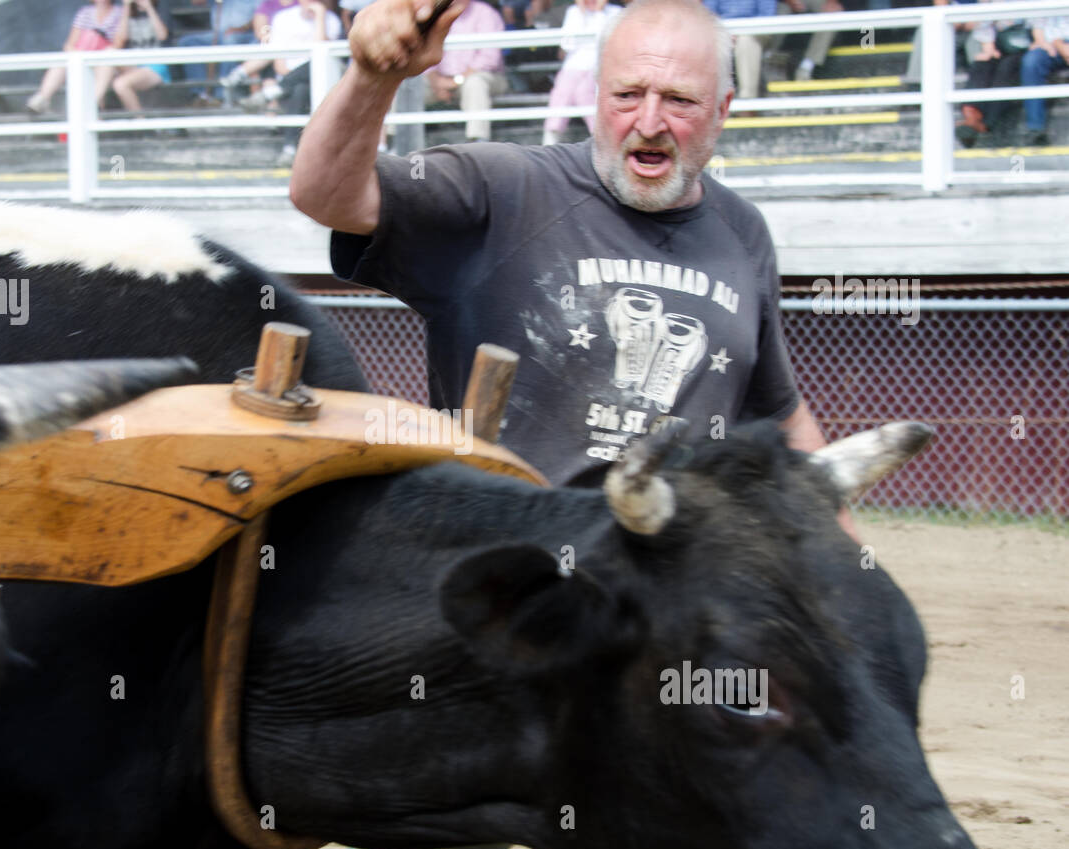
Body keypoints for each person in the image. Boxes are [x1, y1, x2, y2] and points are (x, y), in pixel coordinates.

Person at [291, 0, 839, 491]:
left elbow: (781, 417)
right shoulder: (504, 187)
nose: (649, 122)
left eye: (679, 100)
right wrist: (370, 76)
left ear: (722, 109)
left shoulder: (743, 232)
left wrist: (850, 575)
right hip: (519, 571)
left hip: (673, 582)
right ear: (597, 94)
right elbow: (324, 195)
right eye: (627, 95)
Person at [242, 0, 343, 164]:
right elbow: (279, 61)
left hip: (321, 78)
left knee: (314, 65)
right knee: (300, 88)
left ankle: (289, 147)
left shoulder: (330, 20)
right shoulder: (283, 18)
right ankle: (290, 146)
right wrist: (292, 77)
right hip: (291, 79)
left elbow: (322, 54)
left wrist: (319, 18)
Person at [423, 0, 509, 142]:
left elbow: (489, 58)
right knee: (408, 86)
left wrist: (455, 82)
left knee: (475, 84)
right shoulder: (434, 14)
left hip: (482, 77)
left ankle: (478, 142)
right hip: (440, 81)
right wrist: (437, 82)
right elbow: (425, 54)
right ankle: (393, 139)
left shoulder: (485, 13)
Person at [542, 0, 623, 145]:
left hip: (600, 65)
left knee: (583, 92)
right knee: (561, 92)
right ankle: (551, 139)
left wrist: (598, 13)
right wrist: (581, 14)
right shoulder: (573, 12)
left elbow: (604, 42)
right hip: (572, 66)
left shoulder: (615, 12)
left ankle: (600, 137)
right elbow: (567, 45)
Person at [27, 0, 127, 114]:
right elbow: (69, 45)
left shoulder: (119, 12)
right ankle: (42, 97)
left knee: (106, 64)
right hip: (83, 57)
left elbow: (119, 43)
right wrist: (81, 56)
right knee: (61, 63)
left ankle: (91, 104)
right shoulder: (85, 13)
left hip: (105, 60)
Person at [956, 9, 1028, 147]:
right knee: (980, 65)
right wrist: (989, 47)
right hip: (998, 41)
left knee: (1007, 68)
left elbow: (1039, 20)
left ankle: (987, 123)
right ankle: (971, 114)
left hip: (1030, 41)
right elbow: (984, 19)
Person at [101, 0, 173, 113]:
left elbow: (162, 35)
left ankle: (141, 122)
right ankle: (97, 107)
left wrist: (149, 8)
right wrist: (126, 6)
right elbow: (121, 39)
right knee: (108, 56)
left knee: (120, 84)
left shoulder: (160, 7)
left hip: (155, 66)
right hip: (134, 64)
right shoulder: (128, 11)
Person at [703, 0, 777, 104]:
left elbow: (766, 16)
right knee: (713, 42)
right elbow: (708, 13)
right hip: (723, 31)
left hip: (754, 32)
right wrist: (726, 32)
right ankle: (712, 102)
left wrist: (742, 30)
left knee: (746, 41)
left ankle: (747, 103)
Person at [1021, 15, 1069, 145]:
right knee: (1032, 62)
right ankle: (1035, 129)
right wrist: (1059, 45)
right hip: (1051, 43)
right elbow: (1039, 21)